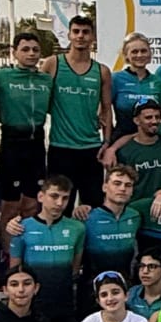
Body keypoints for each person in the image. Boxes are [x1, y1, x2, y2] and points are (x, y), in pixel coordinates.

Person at [6, 174, 85, 322]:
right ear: (41, 197)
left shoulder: (77, 228)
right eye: (54, 196)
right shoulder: (21, 228)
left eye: (65, 198)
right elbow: (15, 271)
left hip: (64, 303)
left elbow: (75, 266)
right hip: (34, 305)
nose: (59, 203)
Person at [42, 14, 113, 207]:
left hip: (91, 149)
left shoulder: (101, 71)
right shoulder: (52, 64)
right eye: (76, 31)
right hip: (61, 148)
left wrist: (107, 141)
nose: (80, 36)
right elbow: (39, 100)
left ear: (93, 37)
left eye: (85, 32)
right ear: (69, 35)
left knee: (92, 206)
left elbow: (107, 109)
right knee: (59, 206)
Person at [0, 27, 52, 244]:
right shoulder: (1, 76)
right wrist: (10, 120)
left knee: (32, 205)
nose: (31, 53)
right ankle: (8, 255)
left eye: (35, 49)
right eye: (25, 49)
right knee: (10, 205)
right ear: (14, 52)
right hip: (12, 143)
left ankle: (26, 252)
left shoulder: (46, 80)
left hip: (36, 144)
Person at [82, 163, 143, 285]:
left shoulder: (135, 216)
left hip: (124, 284)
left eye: (128, 185)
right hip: (92, 284)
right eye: (117, 183)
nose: (122, 189)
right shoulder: (87, 216)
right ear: (104, 187)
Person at [114, 97, 161, 199]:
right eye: (148, 117)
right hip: (137, 205)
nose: (154, 121)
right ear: (136, 120)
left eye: (157, 117)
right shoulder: (125, 152)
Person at [109, 33, 160, 133]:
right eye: (134, 52)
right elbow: (104, 111)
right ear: (126, 55)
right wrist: (108, 137)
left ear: (150, 54)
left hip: (150, 137)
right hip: (122, 137)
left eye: (143, 51)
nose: (139, 55)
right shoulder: (116, 78)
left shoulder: (157, 81)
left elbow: (160, 111)